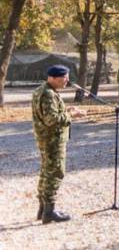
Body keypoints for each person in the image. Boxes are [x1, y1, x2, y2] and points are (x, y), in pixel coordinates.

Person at [33, 65, 81, 223]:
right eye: (64, 77)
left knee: (46, 172)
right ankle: (49, 212)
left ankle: (43, 209)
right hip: (52, 140)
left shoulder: (44, 90)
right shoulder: (48, 94)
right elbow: (51, 120)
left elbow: (50, 113)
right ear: (53, 78)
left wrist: (66, 109)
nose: (67, 80)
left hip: (47, 139)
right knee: (55, 173)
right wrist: (71, 114)